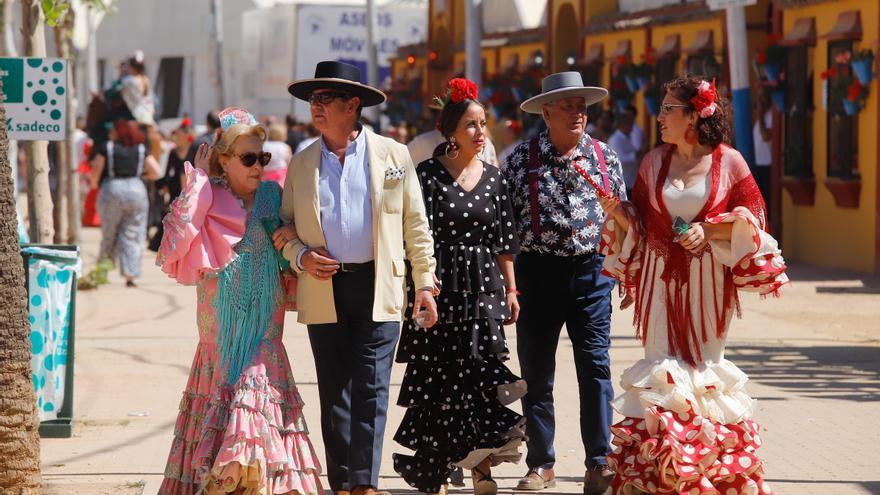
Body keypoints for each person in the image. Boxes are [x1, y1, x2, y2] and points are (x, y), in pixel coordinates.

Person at [598, 76, 788, 494]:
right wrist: (618, 212)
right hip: (658, 277)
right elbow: (645, 229)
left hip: (707, 281)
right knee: (662, 371)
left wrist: (710, 230)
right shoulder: (652, 163)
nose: (660, 116)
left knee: (703, 370)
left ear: (695, 116)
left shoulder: (731, 162)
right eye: (662, 107)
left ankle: (708, 476)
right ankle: (659, 479)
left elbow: (754, 220)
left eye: (668, 108)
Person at [276, 61, 439, 495]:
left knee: (371, 385)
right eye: (313, 99)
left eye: (325, 99)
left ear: (353, 105)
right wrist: (301, 256)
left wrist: (424, 283)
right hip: (323, 286)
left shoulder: (393, 155)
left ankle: (364, 483)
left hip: (379, 284)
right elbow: (283, 226)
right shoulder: (302, 161)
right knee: (334, 390)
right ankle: (343, 483)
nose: (316, 107)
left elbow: (415, 225)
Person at [156, 107, 322, 495]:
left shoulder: (270, 195)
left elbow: (285, 243)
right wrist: (195, 183)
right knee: (226, 382)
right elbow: (172, 246)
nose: (257, 166)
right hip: (219, 322)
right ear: (224, 159)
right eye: (247, 158)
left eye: (262, 158)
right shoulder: (207, 194)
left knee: (256, 381)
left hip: (265, 318)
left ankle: (262, 481)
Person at [391, 78, 526, 495]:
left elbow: (504, 240)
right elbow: (414, 232)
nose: (480, 132)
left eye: (483, 124)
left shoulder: (493, 177)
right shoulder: (428, 175)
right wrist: (420, 285)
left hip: (482, 287)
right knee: (439, 380)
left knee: (480, 378)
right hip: (438, 286)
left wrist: (511, 290)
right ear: (451, 130)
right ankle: (441, 468)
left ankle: (481, 469)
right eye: (471, 124)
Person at [502, 72, 627, 495]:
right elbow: (505, 225)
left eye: (582, 106)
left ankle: (598, 462)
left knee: (596, 368)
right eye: (568, 105)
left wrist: (624, 269)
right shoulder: (521, 159)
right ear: (547, 111)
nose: (578, 113)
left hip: (592, 275)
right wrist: (508, 284)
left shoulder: (605, 157)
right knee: (537, 373)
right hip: (537, 273)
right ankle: (542, 464)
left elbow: (622, 221)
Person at [90, 119, 161, 287]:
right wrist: (143, 175)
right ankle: (130, 274)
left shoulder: (106, 147)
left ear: (117, 132)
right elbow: (156, 172)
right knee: (134, 234)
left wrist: (94, 184)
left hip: (112, 189)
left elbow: (96, 171)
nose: (109, 133)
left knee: (109, 233)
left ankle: (102, 271)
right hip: (136, 190)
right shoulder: (142, 149)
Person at [149, 117, 195, 251]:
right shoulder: (173, 152)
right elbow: (169, 170)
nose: (177, 137)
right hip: (175, 186)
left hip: (190, 186)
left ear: (187, 135)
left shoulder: (194, 150)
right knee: (173, 216)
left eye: (180, 134)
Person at [608, 111, 640, 195]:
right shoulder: (615, 140)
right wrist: (634, 156)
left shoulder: (627, 138)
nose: (632, 128)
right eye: (630, 125)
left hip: (630, 181)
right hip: (623, 183)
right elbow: (617, 160)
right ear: (624, 124)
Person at [753, 87, 773, 214]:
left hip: (768, 164)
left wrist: (760, 116)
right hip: (760, 164)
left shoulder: (770, 115)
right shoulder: (764, 115)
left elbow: (766, 136)